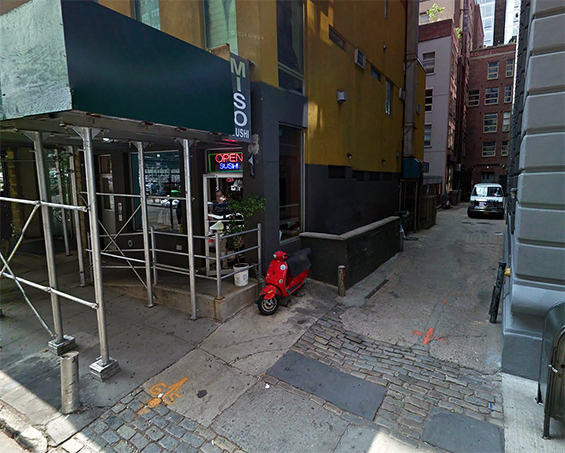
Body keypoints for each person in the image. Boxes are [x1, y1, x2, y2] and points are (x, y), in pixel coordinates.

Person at [0, 189, 12, 256]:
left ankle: (7, 252)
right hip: (4, 223)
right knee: (6, 238)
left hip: (4, 224)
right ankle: (7, 252)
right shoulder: (5, 206)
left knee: (6, 238)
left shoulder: (4, 207)